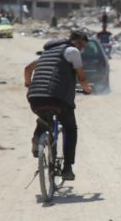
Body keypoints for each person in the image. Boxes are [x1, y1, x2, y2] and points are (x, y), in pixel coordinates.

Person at [24, 30, 93, 182]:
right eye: (81, 44)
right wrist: (87, 89)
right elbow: (81, 77)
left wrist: (28, 84)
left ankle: (38, 137)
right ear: (74, 41)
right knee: (70, 128)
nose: (81, 48)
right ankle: (67, 169)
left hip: (35, 97)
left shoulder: (46, 53)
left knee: (44, 116)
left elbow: (28, 69)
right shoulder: (72, 51)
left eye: (83, 46)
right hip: (58, 98)